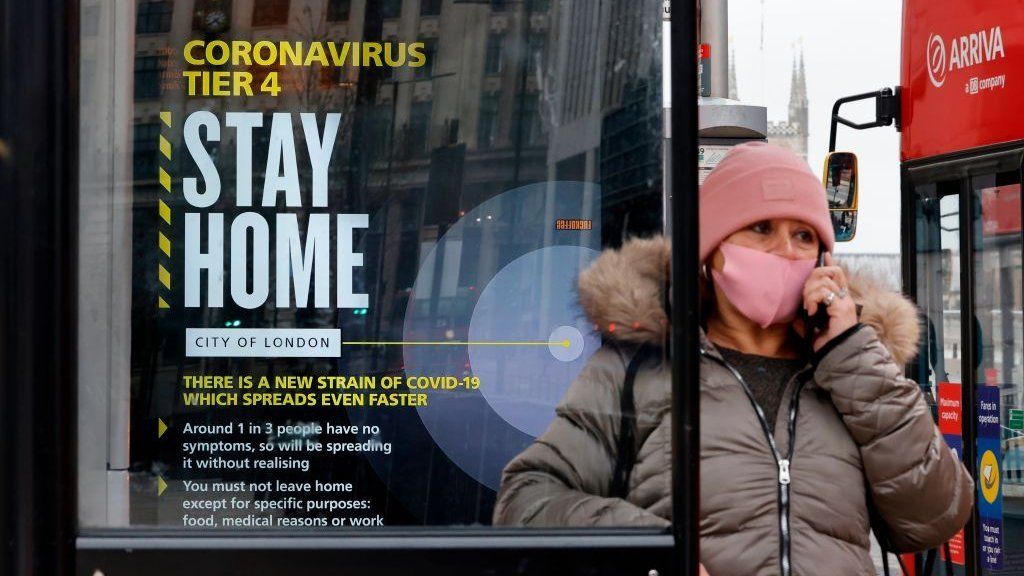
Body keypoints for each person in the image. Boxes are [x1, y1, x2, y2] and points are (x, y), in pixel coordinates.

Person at [492, 142, 974, 575]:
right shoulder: (640, 368)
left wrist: (852, 356)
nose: (786, 251)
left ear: (825, 259)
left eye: (804, 236)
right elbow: (528, 498)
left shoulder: (852, 370)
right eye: (761, 229)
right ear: (710, 253)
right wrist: (658, 552)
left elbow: (936, 513)